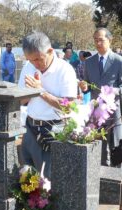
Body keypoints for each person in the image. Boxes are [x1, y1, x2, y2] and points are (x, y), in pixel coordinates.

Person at [18, 32, 77, 179]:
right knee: (26, 177)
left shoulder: (65, 70)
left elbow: (68, 106)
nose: (35, 64)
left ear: (50, 51)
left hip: (54, 130)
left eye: (39, 59)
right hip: (30, 127)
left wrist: (40, 91)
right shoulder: (28, 67)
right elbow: (19, 100)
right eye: (31, 60)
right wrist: (29, 92)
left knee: (50, 180)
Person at [78, 27, 122, 166]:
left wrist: (112, 91)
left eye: (101, 40)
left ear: (109, 40)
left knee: (116, 148)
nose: (98, 43)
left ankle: (116, 177)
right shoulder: (88, 62)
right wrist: (84, 87)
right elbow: (88, 85)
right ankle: (98, 176)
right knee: (98, 147)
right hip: (96, 112)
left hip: (113, 111)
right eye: (95, 40)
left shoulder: (120, 61)